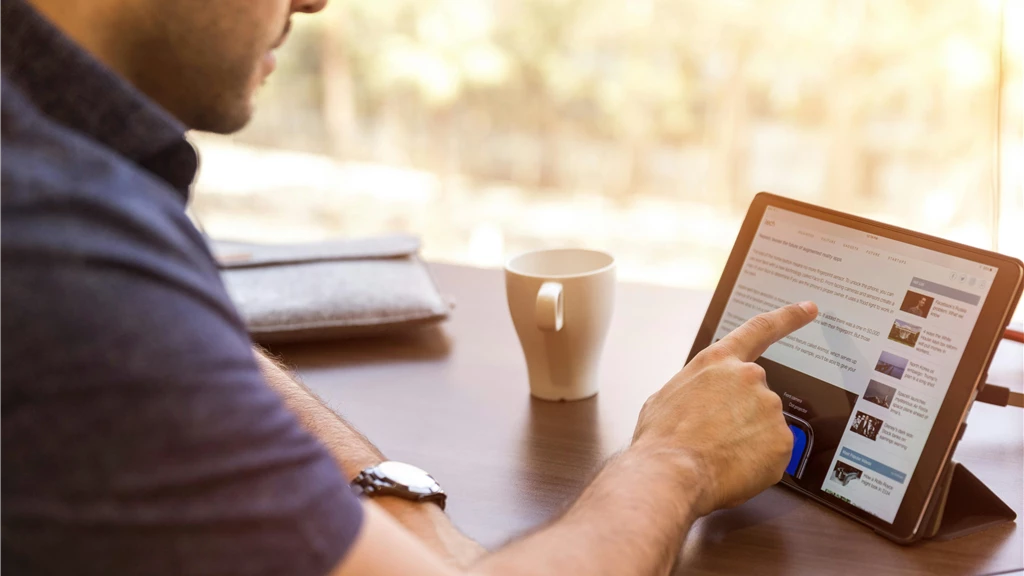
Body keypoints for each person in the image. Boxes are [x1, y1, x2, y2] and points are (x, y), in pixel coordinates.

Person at [0, 0, 819, 574]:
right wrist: (674, 460)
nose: (316, 2)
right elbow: (117, 325)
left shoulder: (61, 177)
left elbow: (173, 341)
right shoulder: (50, 241)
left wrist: (398, 508)